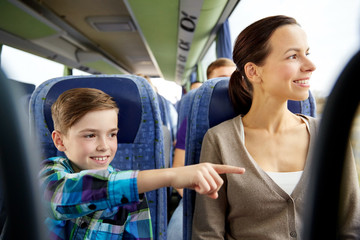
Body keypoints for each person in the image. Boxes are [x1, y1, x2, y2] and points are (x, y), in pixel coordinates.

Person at [192, 15, 360, 239]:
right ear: (253, 72)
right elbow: (207, 234)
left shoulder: (327, 135)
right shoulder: (219, 140)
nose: (311, 66)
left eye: (306, 54)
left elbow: (351, 226)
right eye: (293, 56)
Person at [39, 88, 245, 240]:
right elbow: (63, 195)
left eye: (112, 134)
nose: (104, 146)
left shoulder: (133, 197)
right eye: (90, 135)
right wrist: (171, 176)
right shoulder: (48, 174)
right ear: (59, 140)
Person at [167, 58, 236, 240]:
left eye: (234, 77)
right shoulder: (192, 123)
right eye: (222, 79)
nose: (229, 84)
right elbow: (178, 169)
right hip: (198, 197)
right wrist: (191, 199)